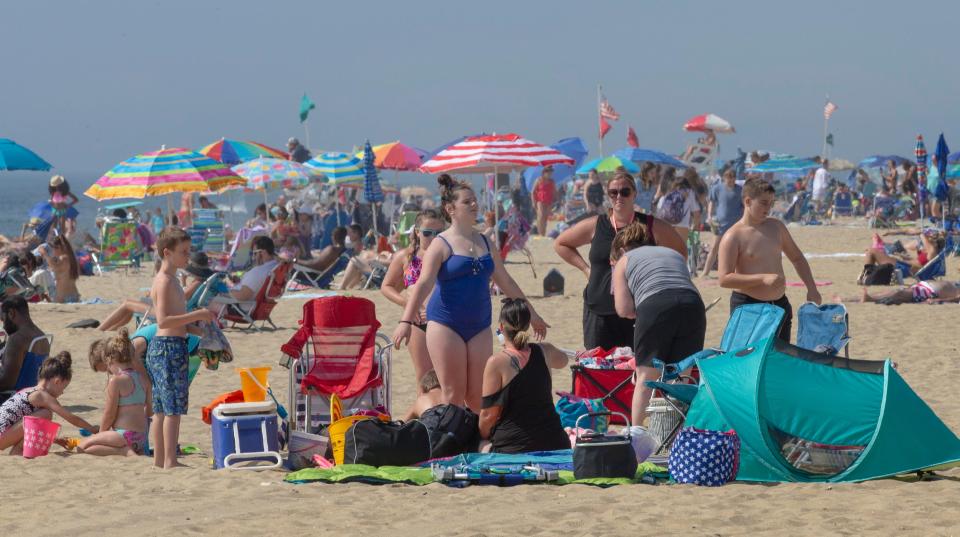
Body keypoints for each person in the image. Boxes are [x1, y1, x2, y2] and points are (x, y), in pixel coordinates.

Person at [392, 174, 548, 412]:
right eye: (467, 202)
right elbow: (423, 284)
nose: (474, 205)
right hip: (446, 324)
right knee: (453, 395)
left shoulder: (486, 242)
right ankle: (452, 446)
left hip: (479, 325)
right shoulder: (441, 244)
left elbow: (505, 280)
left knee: (477, 397)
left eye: (475, 200)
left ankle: (474, 446)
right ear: (450, 208)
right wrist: (405, 321)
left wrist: (532, 313)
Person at [554, 171, 686, 350]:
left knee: (636, 370)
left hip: (639, 311)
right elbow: (561, 244)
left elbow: (680, 253)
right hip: (599, 311)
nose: (619, 197)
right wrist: (586, 269)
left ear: (634, 194)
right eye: (613, 193)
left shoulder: (651, 226)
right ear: (608, 195)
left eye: (625, 192)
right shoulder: (596, 224)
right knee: (599, 369)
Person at [611, 221, 706, 424]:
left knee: (646, 378)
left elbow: (624, 309)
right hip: (693, 306)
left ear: (621, 250)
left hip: (655, 305)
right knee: (681, 380)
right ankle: (675, 439)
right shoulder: (671, 253)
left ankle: (636, 439)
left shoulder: (624, 260)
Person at [718, 179, 822, 342]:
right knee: (748, 362)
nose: (768, 208)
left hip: (779, 305)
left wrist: (812, 288)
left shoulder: (777, 227)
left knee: (779, 361)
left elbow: (797, 258)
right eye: (764, 203)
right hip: (748, 307)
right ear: (747, 201)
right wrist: (762, 278)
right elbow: (724, 279)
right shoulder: (733, 235)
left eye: (771, 203)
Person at [147, 227, 216, 469]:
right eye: (183, 252)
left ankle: (160, 460)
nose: (188, 257)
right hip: (167, 347)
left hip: (169, 344)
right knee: (171, 409)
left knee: (161, 408)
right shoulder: (164, 281)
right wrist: (196, 314)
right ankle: (169, 460)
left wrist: (203, 331)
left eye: (188, 251)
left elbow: (178, 321)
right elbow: (163, 320)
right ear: (167, 253)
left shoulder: (172, 280)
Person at [479, 298, 569, 453]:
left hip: (514, 446)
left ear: (501, 328)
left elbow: (488, 415)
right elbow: (563, 361)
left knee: (480, 444)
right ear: (527, 326)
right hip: (555, 441)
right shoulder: (545, 351)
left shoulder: (497, 362)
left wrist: (482, 435)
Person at [381, 209, 444, 385]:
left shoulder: (448, 256)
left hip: (444, 319)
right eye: (427, 233)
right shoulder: (406, 257)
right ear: (417, 231)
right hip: (416, 321)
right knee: (424, 377)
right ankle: (425, 411)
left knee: (447, 375)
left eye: (439, 233)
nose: (433, 237)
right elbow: (386, 286)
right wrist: (408, 303)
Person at [0, 352, 98, 455]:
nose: (62, 392)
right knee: (46, 414)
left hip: (4, 433)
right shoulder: (42, 396)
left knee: (42, 415)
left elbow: (27, 425)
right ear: (57, 381)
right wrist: (92, 429)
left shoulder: (28, 390)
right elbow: (71, 418)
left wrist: (55, 439)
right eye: (63, 388)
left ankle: (19, 451)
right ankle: (19, 451)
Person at [75, 329, 148, 456]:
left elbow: (109, 414)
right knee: (93, 446)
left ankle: (124, 451)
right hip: (141, 437)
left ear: (109, 360)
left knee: (81, 447)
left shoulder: (116, 381)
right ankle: (130, 450)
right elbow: (150, 410)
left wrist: (102, 434)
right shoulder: (143, 379)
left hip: (124, 435)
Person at [0, 296, 49, 396]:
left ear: (11, 313)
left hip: (14, 398)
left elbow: (8, 383)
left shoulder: (17, 339)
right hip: (34, 394)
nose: (4, 325)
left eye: (3, 319)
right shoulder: (42, 336)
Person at [702, 168, 744, 278]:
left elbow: (745, 206)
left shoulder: (740, 190)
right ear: (724, 178)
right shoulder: (717, 188)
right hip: (721, 224)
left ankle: (737, 272)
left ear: (735, 178)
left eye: (732, 178)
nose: (730, 180)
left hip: (736, 225)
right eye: (728, 178)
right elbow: (711, 202)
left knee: (737, 249)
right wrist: (709, 216)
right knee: (714, 247)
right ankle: (705, 272)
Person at [835, 280, 960, 305]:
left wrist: (938, 301)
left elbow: (957, 298)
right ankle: (852, 299)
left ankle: (868, 298)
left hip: (929, 292)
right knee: (892, 292)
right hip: (924, 286)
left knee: (897, 293)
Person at [656, 174, 701, 239]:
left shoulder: (670, 191)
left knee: (667, 248)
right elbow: (696, 214)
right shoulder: (689, 192)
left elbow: (660, 208)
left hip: (666, 224)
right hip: (682, 225)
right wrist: (694, 226)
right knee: (679, 248)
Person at [39, 234, 80, 303]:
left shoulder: (63, 258)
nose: (52, 251)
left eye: (52, 248)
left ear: (58, 247)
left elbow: (54, 267)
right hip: (73, 296)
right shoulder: (70, 258)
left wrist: (45, 254)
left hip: (65, 298)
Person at [531, 166, 557, 236]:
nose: (550, 174)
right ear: (544, 172)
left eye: (551, 172)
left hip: (549, 201)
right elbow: (533, 192)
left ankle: (543, 233)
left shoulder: (552, 181)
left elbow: (554, 191)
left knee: (545, 217)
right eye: (548, 172)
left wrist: (556, 200)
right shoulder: (539, 180)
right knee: (540, 215)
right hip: (540, 200)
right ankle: (540, 232)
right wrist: (533, 202)